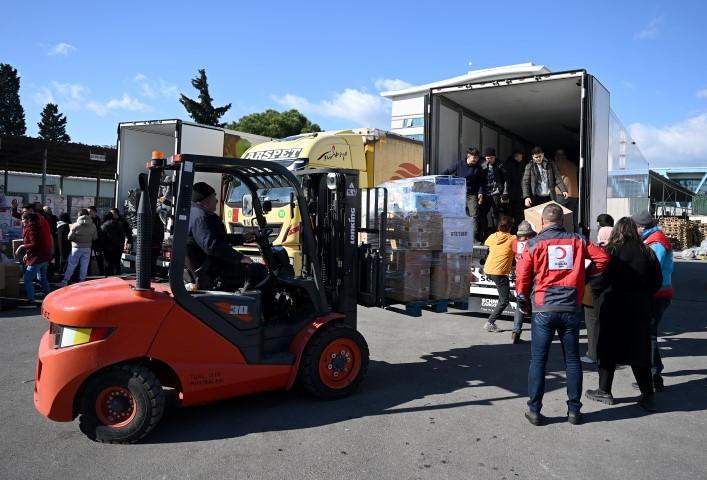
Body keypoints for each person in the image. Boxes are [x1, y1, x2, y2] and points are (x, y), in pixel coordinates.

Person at [515, 203, 610, 426]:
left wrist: (522, 299)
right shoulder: (578, 240)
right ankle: (574, 411)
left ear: (542, 222)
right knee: (572, 360)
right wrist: (584, 275)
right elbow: (603, 259)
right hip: (570, 308)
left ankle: (535, 410)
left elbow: (522, 276)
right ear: (563, 222)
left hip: (543, 308)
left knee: (538, 360)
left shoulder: (533, 243)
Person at [585, 217, 663, 412]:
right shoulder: (648, 252)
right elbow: (657, 281)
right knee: (639, 352)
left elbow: (600, 280)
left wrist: (589, 291)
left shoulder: (612, 251)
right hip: (641, 310)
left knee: (607, 349)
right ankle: (648, 395)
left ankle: (604, 391)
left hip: (614, 308)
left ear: (617, 231)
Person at [633, 209, 674, 392]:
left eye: (636, 227)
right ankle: (653, 376)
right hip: (657, 294)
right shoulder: (651, 239)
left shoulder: (656, 242)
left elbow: (650, 268)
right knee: (649, 335)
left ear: (642, 227)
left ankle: (653, 376)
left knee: (650, 337)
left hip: (657, 295)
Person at [186, 182, 253, 291]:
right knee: (256, 271)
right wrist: (240, 257)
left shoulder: (193, 213)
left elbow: (217, 238)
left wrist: (243, 238)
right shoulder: (201, 217)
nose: (217, 201)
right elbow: (212, 245)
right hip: (213, 270)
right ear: (206, 200)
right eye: (214, 197)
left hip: (208, 266)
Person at [442, 147, 485, 242]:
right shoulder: (459, 164)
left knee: (474, 215)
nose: (476, 160)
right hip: (458, 193)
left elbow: (480, 182)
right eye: (474, 158)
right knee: (457, 214)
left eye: (477, 158)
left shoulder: (478, 167)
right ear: (468, 157)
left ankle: (474, 237)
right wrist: (438, 179)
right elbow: (448, 171)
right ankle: (454, 236)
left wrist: (480, 193)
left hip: (471, 193)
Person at [482, 216, 515, 332]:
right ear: (511, 227)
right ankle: (490, 323)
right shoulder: (513, 239)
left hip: (488, 270)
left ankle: (508, 294)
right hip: (499, 273)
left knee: (506, 292)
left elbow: (487, 245)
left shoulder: (492, 236)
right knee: (504, 300)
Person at [15, 212, 52, 302]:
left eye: (23, 219)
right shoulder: (37, 227)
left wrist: (22, 246)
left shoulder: (32, 229)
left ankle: (31, 299)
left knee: (27, 279)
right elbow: (37, 244)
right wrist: (27, 254)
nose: (22, 221)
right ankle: (49, 295)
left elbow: (35, 244)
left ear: (28, 220)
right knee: (42, 277)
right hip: (43, 256)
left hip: (37, 258)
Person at [510, 220, 536, 343]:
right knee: (536, 305)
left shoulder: (514, 243)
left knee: (520, 305)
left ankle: (516, 331)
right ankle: (537, 333)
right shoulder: (533, 243)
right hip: (532, 276)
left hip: (519, 277)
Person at [61, 209, 98, 286]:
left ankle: (65, 280)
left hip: (76, 247)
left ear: (79, 215)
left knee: (72, 264)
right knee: (84, 265)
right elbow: (95, 238)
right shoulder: (93, 225)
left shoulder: (75, 225)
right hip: (87, 248)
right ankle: (82, 281)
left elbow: (70, 237)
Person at [479, 148, 508, 239]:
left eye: (491, 158)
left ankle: (497, 234)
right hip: (485, 193)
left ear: (495, 157)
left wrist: (505, 193)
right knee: (482, 213)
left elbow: (506, 179)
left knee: (495, 214)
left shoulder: (500, 165)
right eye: (487, 158)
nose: (489, 160)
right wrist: (480, 193)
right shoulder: (483, 165)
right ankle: (485, 233)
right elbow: (479, 180)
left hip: (496, 193)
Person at [502, 150, 527, 229]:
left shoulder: (518, 165)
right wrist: (505, 193)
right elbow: (506, 180)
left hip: (516, 193)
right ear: (516, 156)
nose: (522, 159)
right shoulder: (508, 165)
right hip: (509, 194)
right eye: (521, 157)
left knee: (516, 213)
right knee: (509, 214)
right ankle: (509, 231)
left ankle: (515, 230)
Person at [553, 149, 579, 225]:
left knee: (557, 217)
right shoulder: (573, 165)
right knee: (571, 218)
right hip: (574, 194)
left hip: (561, 194)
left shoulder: (555, 164)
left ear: (556, 157)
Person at [100, 212, 125, 276]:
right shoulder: (119, 224)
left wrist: (101, 247)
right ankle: (118, 274)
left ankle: (109, 275)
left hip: (107, 247)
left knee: (108, 262)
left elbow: (102, 238)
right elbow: (122, 236)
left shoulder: (104, 226)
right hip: (118, 247)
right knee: (117, 262)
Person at [87, 206, 104, 276]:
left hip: (97, 242)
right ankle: (88, 273)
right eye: (88, 211)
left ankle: (102, 273)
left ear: (94, 212)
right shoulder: (87, 220)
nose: (89, 213)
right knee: (88, 258)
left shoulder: (99, 220)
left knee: (99, 258)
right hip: (88, 241)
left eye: (90, 211)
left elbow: (101, 231)